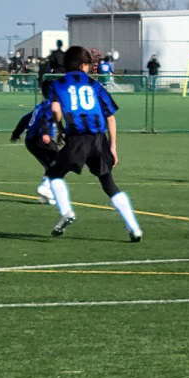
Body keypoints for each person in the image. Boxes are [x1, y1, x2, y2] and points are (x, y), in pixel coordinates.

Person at [45, 45, 143, 242]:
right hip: (99, 139)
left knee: (54, 175)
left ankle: (66, 212)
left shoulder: (58, 84)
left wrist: (60, 127)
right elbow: (111, 118)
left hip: (77, 139)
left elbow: (55, 110)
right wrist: (113, 147)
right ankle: (133, 227)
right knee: (108, 183)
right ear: (83, 65)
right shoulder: (95, 85)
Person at [10, 78, 60, 205]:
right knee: (58, 162)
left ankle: (46, 195)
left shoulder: (41, 105)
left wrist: (16, 133)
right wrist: (45, 133)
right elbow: (44, 119)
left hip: (30, 140)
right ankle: (45, 187)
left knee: (51, 164)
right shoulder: (50, 105)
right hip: (39, 139)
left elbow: (24, 119)